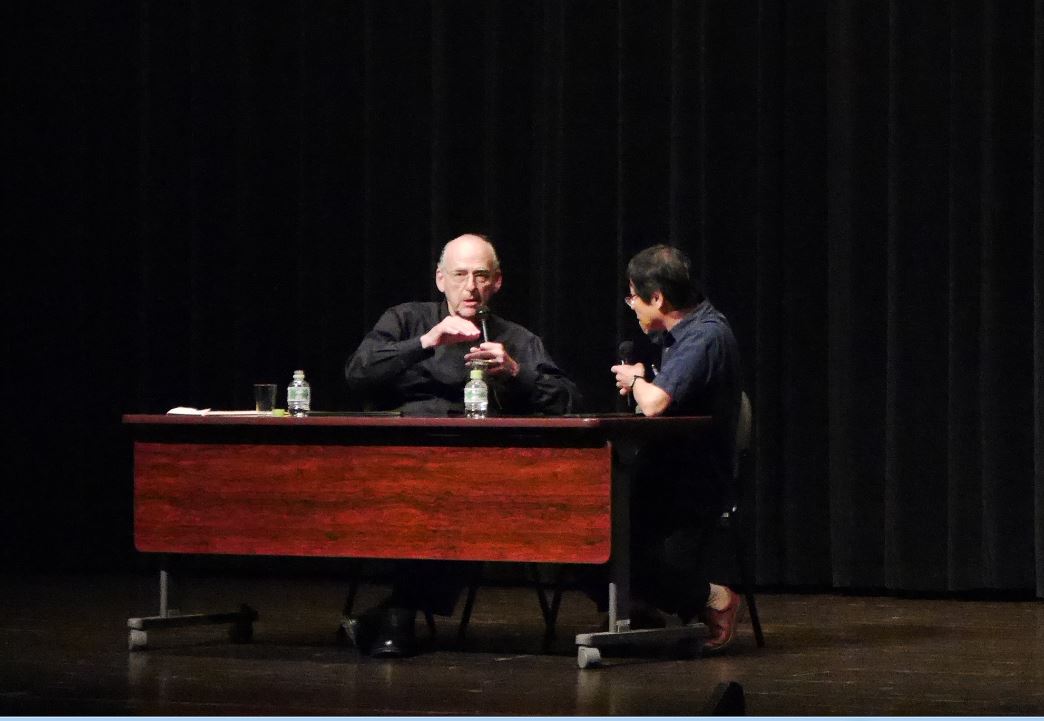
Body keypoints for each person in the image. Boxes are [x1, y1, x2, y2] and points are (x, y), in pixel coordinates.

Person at [343, 233, 582, 656]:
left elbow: (568, 401)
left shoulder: (515, 337)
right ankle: (397, 612)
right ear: (440, 279)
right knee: (437, 497)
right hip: (403, 465)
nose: (470, 286)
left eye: (481, 276)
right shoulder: (408, 320)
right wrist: (427, 342)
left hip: (487, 476)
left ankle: (396, 613)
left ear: (497, 282)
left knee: (468, 498)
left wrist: (514, 371)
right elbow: (358, 373)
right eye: (459, 275)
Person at [609, 243, 743, 654]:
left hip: (692, 483)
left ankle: (715, 598)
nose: (630, 305)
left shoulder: (706, 335)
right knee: (584, 528)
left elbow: (655, 404)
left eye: (633, 296)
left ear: (657, 299)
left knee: (609, 542)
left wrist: (635, 383)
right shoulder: (681, 335)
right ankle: (638, 608)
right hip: (664, 474)